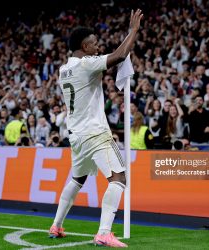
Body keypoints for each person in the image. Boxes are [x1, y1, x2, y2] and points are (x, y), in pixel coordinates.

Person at [49, 9, 143, 248]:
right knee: (119, 178)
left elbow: (110, 60)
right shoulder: (85, 65)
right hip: (95, 133)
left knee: (77, 178)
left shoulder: (64, 70)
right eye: (94, 43)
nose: (98, 46)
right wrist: (133, 31)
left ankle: (56, 225)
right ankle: (104, 232)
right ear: (84, 46)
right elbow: (120, 55)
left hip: (77, 136)